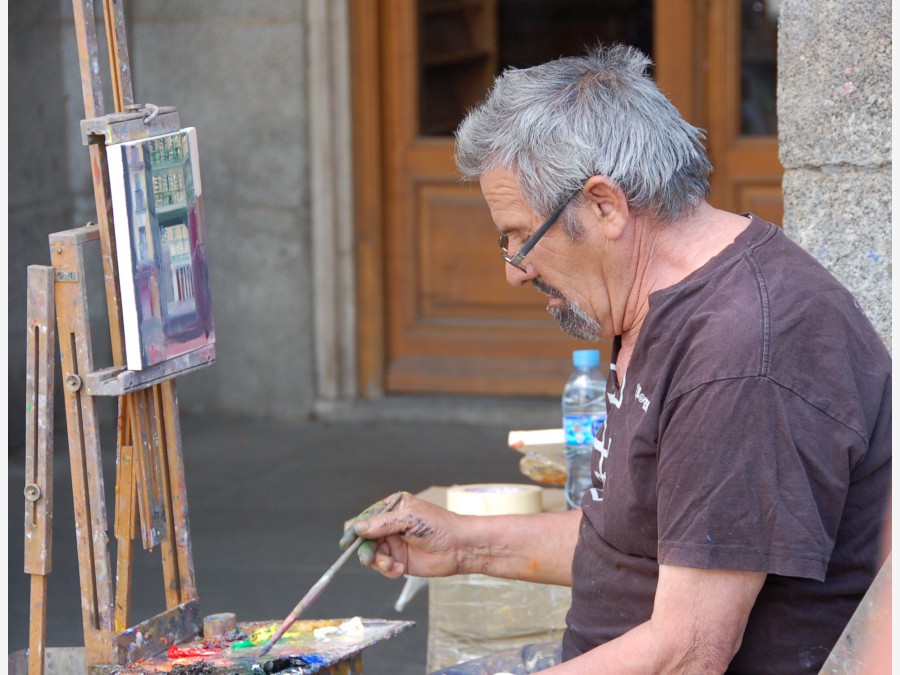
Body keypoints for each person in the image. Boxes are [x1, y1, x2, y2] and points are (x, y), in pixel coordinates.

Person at [342, 45, 892, 674]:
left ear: (604, 206)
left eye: (520, 235)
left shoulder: (740, 351)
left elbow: (688, 652)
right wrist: (466, 545)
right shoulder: (664, 302)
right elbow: (637, 544)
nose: (513, 272)